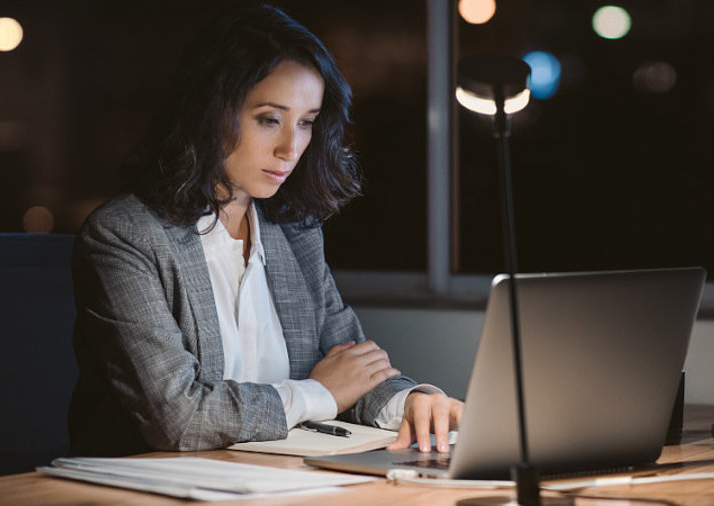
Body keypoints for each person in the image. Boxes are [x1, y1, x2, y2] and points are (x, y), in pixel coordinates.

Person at [68, 3, 463, 457]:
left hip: (274, 479)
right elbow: (177, 418)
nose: (290, 148)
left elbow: (353, 368)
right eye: (269, 119)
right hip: (142, 484)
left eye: (307, 122)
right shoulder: (125, 235)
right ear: (210, 111)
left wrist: (413, 402)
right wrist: (317, 394)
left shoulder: (295, 230)